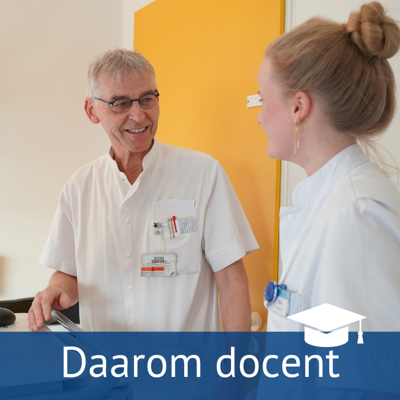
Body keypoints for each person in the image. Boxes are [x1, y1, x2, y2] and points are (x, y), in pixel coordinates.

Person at [28, 48, 258, 332]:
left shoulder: (203, 174)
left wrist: (237, 358)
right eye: (121, 103)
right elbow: (69, 273)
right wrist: (56, 289)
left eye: (147, 99)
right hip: (106, 359)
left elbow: (232, 279)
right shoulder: (79, 187)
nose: (138, 116)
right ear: (92, 110)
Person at [257, 1, 400, 332]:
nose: (259, 117)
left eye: (263, 100)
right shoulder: (333, 203)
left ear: (299, 107)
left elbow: (363, 363)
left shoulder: (356, 215)